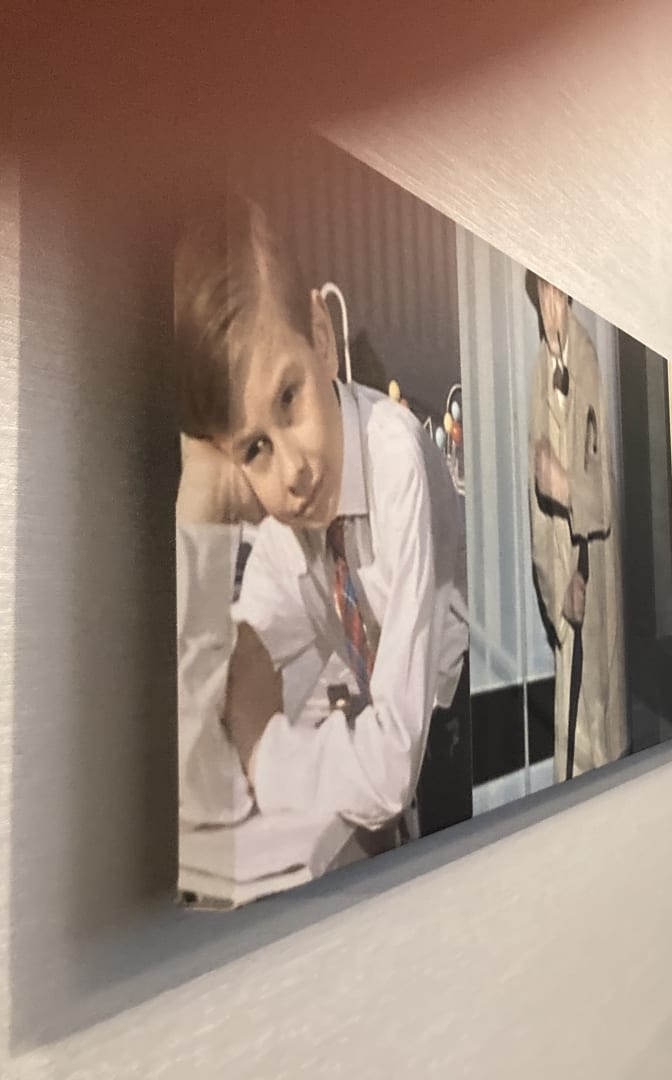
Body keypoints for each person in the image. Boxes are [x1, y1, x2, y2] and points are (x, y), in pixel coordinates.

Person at [174, 195, 469, 846]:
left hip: (455, 708)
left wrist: (263, 750)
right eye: (255, 447)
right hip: (386, 712)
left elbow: (390, 768)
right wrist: (201, 512)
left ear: (321, 336)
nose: (294, 470)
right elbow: (202, 727)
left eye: (289, 397)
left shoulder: (394, 457)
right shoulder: (288, 524)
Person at [527, 272, 627, 782]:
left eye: (554, 291)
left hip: (592, 587)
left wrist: (563, 486)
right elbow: (537, 518)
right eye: (539, 293)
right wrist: (557, 601)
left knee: (597, 751)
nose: (549, 305)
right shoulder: (540, 371)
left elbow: (603, 496)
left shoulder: (586, 361)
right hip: (568, 595)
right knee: (574, 756)